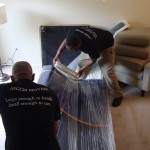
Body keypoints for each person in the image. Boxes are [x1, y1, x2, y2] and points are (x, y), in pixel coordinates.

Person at [53, 26, 123, 107]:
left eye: (74, 49)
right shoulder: (72, 35)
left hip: (107, 45)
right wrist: (57, 54)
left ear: (79, 44)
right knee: (81, 63)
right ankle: (79, 83)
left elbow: (93, 60)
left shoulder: (90, 45)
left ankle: (118, 95)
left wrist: (82, 70)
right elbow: (65, 42)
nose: (72, 52)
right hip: (97, 41)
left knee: (107, 72)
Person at [0, 61, 61, 150]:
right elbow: (54, 129)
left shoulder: (2, 91)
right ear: (33, 77)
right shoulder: (50, 93)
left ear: (12, 78)